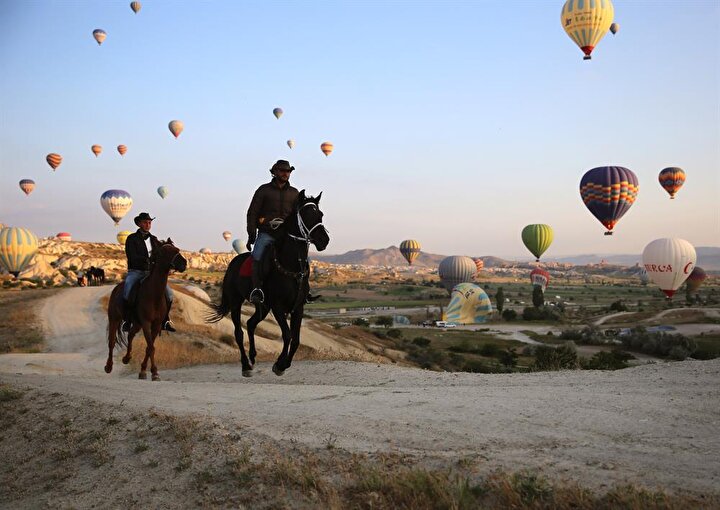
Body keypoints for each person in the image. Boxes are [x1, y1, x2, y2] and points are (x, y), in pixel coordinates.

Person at [246, 160, 319, 304]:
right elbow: (252, 213)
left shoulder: (294, 193)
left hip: (287, 235)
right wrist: (251, 233)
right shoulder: (263, 190)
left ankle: (305, 290)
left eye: (288, 171)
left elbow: (299, 215)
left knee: (303, 260)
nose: (286, 173)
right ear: (274, 172)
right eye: (282, 171)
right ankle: (257, 289)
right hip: (267, 232)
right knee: (257, 257)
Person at [121, 212, 176, 332]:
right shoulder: (131, 239)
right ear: (139, 223)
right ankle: (127, 320)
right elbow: (131, 256)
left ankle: (165, 320)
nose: (148, 224)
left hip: (151, 273)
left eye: (149, 222)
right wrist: (147, 260)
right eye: (145, 222)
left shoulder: (154, 239)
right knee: (127, 291)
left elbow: (160, 257)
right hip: (136, 271)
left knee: (170, 294)